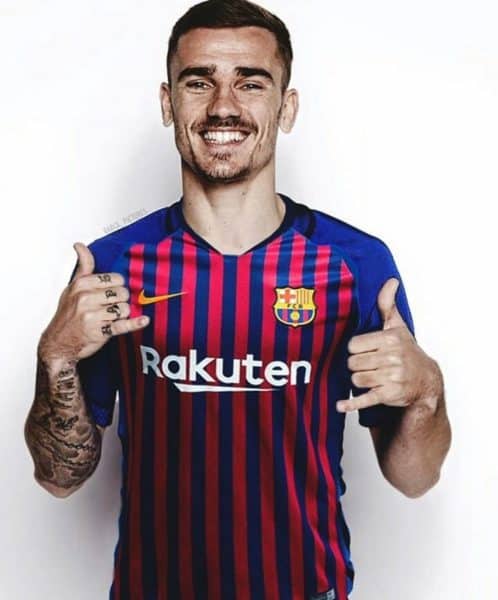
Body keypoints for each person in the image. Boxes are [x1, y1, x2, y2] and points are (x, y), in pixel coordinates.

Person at [24, 1, 452, 599]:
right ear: (168, 104)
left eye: (251, 83)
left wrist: (426, 390)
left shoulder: (356, 264)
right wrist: (56, 357)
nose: (223, 106)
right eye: (198, 82)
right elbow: (59, 478)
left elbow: (415, 477)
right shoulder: (113, 265)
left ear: (287, 108)